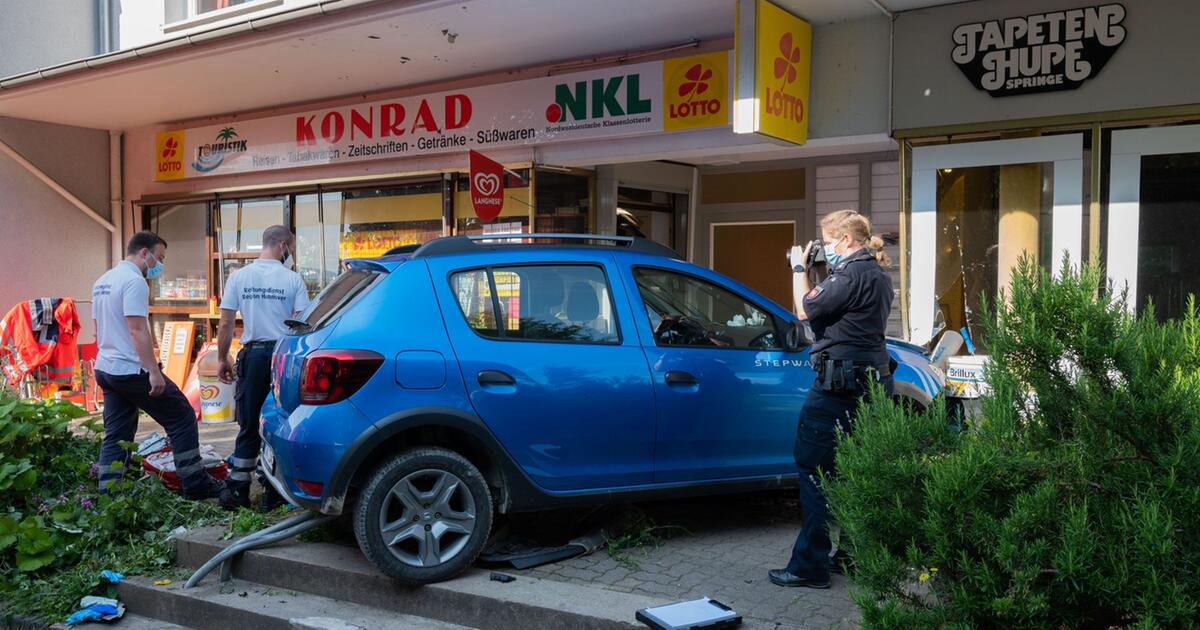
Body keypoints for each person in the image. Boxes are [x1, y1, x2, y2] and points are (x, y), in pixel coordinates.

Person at [770, 209, 894, 589]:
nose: (823, 248)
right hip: (873, 385)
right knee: (856, 471)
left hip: (838, 388)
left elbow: (804, 310)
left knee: (815, 470)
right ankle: (853, 557)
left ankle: (809, 567)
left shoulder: (850, 274)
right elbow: (839, 311)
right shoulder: (878, 274)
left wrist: (797, 269)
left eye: (826, 241)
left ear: (844, 241)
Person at [92, 231, 226, 499]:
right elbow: (138, 329)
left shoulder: (103, 281)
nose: (158, 264)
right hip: (131, 369)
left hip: (106, 368)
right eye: (159, 257)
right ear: (144, 252)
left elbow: (99, 326)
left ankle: (109, 495)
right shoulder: (134, 281)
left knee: (116, 433)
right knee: (182, 416)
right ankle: (195, 484)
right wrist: (154, 372)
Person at [216, 225, 311, 511]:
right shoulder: (293, 280)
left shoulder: (239, 277)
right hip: (283, 357)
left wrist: (222, 358)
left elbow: (226, 323)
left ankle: (238, 491)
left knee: (249, 423)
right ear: (282, 245)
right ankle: (273, 492)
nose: (290, 253)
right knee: (279, 422)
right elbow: (302, 324)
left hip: (254, 356)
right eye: (290, 248)